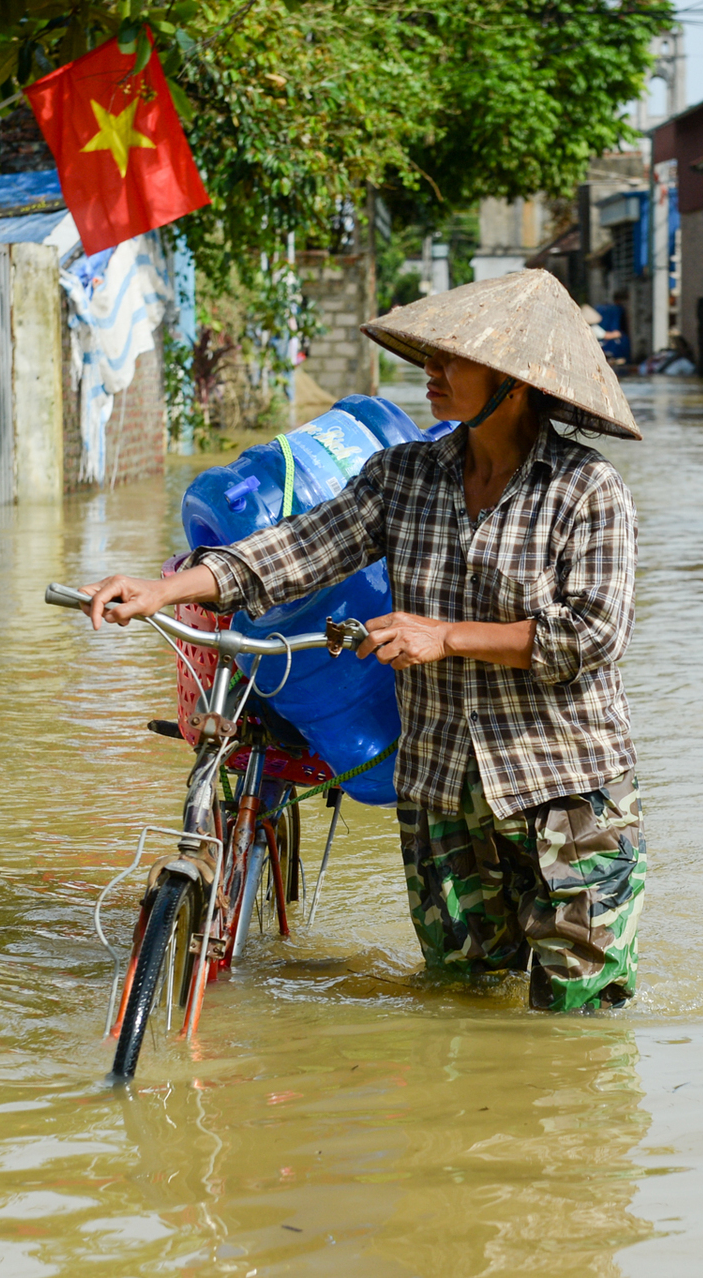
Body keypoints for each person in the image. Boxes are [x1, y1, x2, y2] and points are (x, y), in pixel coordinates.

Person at [79, 270, 647, 1012]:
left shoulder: (585, 490)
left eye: (453, 361)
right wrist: (164, 589)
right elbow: (294, 551)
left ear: (515, 382)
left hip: (564, 794)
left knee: (577, 1021)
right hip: (442, 793)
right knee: (460, 1009)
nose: (431, 375)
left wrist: (444, 636)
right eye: (430, 358)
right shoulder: (404, 477)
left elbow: (592, 634)